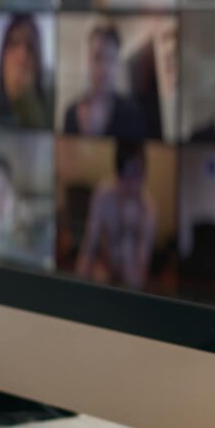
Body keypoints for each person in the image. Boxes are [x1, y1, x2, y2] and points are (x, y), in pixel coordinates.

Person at [75, 139, 158, 288]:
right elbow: (89, 246)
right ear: (118, 174)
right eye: (126, 174)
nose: (131, 183)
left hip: (131, 276)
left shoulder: (148, 210)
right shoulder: (103, 196)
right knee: (98, 275)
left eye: (137, 174)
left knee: (133, 279)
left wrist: (130, 230)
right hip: (103, 270)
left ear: (144, 173)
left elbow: (141, 270)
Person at [63, 21, 147, 138]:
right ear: (88, 61)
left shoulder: (131, 112)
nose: (104, 68)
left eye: (111, 58)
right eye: (98, 57)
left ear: (117, 65)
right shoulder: (71, 113)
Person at [0, 13, 52, 130]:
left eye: (30, 47)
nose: (22, 56)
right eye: (13, 44)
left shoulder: (49, 112)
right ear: (2, 58)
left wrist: (28, 101)